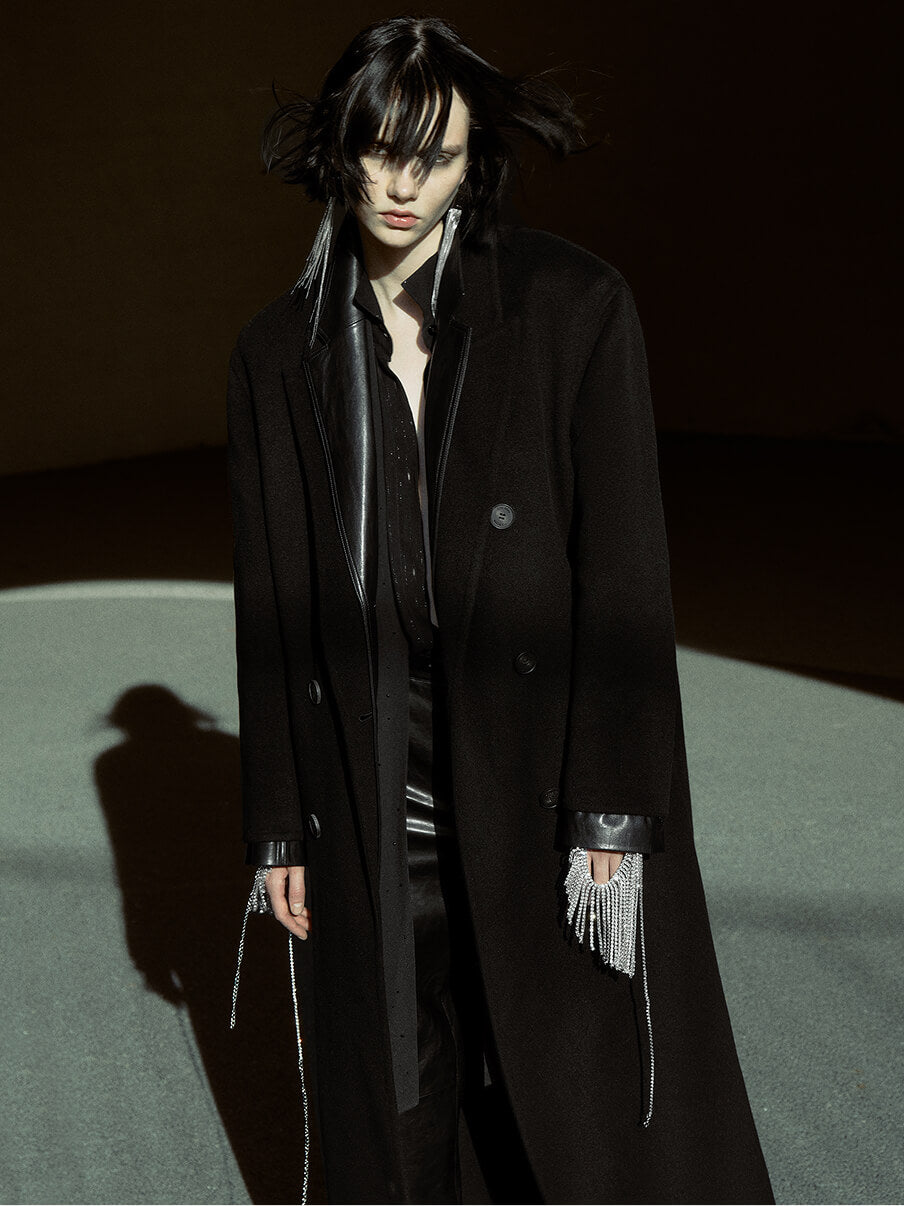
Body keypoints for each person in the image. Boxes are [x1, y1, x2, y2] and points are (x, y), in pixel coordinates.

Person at [227, 15, 774, 1204]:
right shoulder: (278, 354)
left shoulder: (571, 307)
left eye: (434, 157)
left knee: (570, 1083)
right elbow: (271, 605)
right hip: (372, 775)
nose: (401, 186)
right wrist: (278, 825)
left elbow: (623, 576)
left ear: (473, 163)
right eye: (379, 151)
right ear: (338, 150)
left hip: (540, 763)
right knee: (400, 1075)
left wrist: (612, 810)